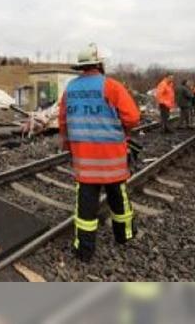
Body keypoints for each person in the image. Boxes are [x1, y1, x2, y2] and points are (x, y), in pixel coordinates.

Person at [58, 43, 141, 262]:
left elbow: (63, 122)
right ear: (100, 64)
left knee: (85, 207)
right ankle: (124, 236)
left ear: (81, 66)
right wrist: (120, 129)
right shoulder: (112, 86)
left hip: (84, 161)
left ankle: (84, 250)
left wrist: (69, 147)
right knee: (119, 199)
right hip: (112, 159)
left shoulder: (70, 89)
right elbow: (132, 117)